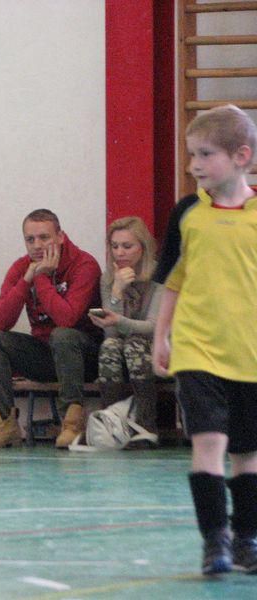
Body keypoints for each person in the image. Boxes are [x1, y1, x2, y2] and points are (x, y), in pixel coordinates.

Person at [153, 104, 257, 576]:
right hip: (198, 350)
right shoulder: (188, 214)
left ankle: (247, 539)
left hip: (248, 353)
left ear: (241, 156)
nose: (194, 164)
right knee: (209, 442)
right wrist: (162, 335)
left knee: (247, 453)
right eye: (191, 154)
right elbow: (174, 283)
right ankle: (215, 541)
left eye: (205, 154)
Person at [0, 209, 101, 449]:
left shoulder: (84, 264)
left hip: (84, 356)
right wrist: (26, 280)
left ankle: (72, 424)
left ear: (61, 237)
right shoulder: (22, 267)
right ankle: (5, 424)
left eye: (44, 237)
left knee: (62, 335)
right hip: (46, 355)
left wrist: (41, 278)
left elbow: (67, 319)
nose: (37, 245)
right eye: (30, 239)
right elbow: (1, 321)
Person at [88, 216, 163, 449]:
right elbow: (111, 334)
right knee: (109, 347)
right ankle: (111, 422)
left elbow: (154, 327)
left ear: (143, 248)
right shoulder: (109, 279)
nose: (120, 253)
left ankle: (147, 425)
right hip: (123, 347)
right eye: (115, 246)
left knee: (134, 345)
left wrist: (118, 320)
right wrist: (116, 292)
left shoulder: (160, 276)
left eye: (127, 246)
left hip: (159, 346)